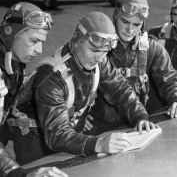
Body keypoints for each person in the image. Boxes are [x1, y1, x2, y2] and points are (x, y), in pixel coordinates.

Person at [13, 11, 157, 165]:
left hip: (71, 136)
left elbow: (120, 90)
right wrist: (99, 144)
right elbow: (57, 134)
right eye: (94, 50)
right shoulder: (51, 77)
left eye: (105, 52)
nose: (99, 58)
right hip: (36, 143)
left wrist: (140, 116)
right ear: (76, 42)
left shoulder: (98, 62)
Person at [0, 2, 67, 177]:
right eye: (34, 41)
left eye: (42, 42)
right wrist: (18, 174)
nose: (39, 50)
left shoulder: (13, 66)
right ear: (11, 34)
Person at [83, 0, 177, 136]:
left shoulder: (152, 48)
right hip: (97, 126)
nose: (130, 30)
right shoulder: (99, 44)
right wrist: (75, 112)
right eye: (125, 21)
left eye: (136, 24)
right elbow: (71, 75)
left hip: (136, 124)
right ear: (115, 17)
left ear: (143, 24)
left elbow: (168, 79)